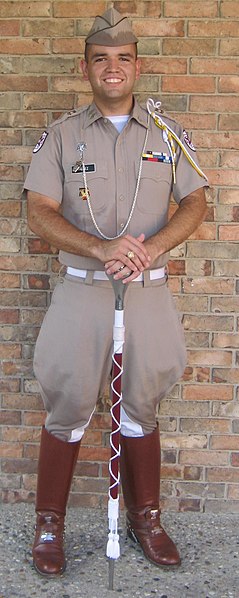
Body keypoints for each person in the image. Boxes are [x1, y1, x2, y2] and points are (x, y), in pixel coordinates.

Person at [24, 7, 208, 578]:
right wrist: (101, 249)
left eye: (122, 59)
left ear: (136, 66)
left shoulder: (167, 134)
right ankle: (49, 523)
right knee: (68, 408)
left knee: (142, 409)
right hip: (84, 289)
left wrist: (150, 250)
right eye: (101, 59)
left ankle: (146, 519)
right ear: (86, 69)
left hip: (147, 292)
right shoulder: (61, 135)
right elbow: (40, 211)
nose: (112, 68)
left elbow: (196, 203)